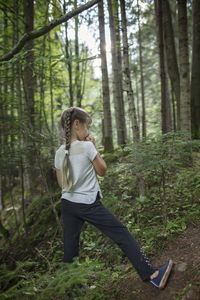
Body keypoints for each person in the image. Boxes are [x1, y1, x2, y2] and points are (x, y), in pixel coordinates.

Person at [54, 106, 173, 289]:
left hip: (68, 204)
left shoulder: (60, 152)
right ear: (76, 124)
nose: (88, 132)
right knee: (121, 233)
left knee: (70, 250)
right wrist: (94, 148)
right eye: (87, 126)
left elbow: (62, 185)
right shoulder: (87, 147)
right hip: (88, 203)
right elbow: (102, 170)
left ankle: (73, 294)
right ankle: (153, 275)